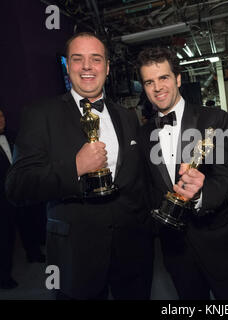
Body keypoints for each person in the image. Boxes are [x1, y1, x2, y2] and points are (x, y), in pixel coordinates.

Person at [5, 32, 154, 300]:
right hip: (76, 258)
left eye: (96, 59)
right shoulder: (40, 115)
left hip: (133, 254)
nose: (87, 66)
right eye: (78, 59)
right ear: (68, 66)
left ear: (107, 68)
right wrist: (74, 167)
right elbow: (17, 186)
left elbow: (137, 180)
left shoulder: (126, 116)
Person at [137, 47, 228, 300]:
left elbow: (226, 181)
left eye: (164, 78)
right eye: (149, 82)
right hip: (176, 252)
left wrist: (200, 194)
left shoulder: (215, 119)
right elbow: (147, 190)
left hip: (221, 245)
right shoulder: (142, 135)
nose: (157, 87)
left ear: (178, 79)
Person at [0, 108, 18, 290]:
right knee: (4, 240)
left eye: (2, 116)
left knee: (28, 222)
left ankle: (34, 253)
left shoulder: (13, 136)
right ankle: (4, 277)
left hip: (19, 192)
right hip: (1, 200)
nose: (0, 120)